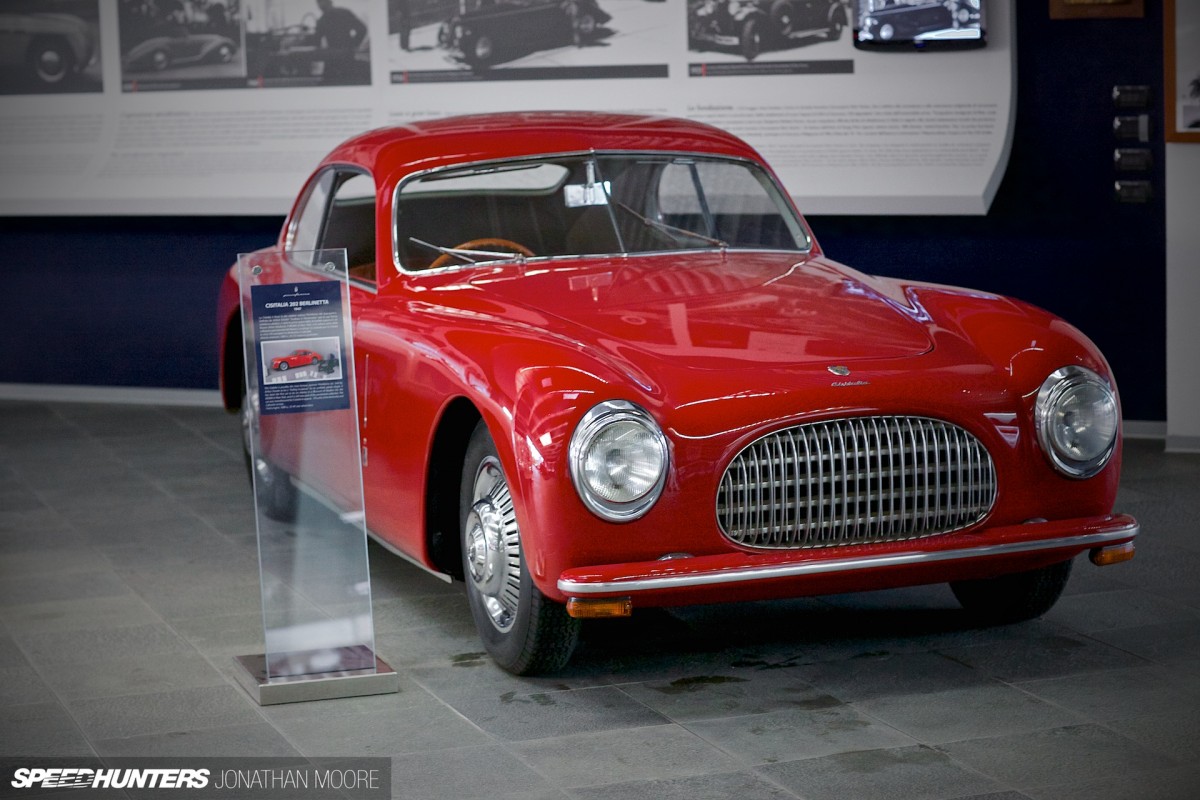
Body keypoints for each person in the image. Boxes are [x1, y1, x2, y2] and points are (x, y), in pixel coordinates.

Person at [314, 0, 367, 82]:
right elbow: (362, 29)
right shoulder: (344, 13)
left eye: (321, 1)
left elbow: (315, 41)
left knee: (330, 82)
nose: (320, 4)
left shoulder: (322, 20)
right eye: (318, 2)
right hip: (344, 56)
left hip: (334, 58)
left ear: (329, 2)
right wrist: (352, 45)